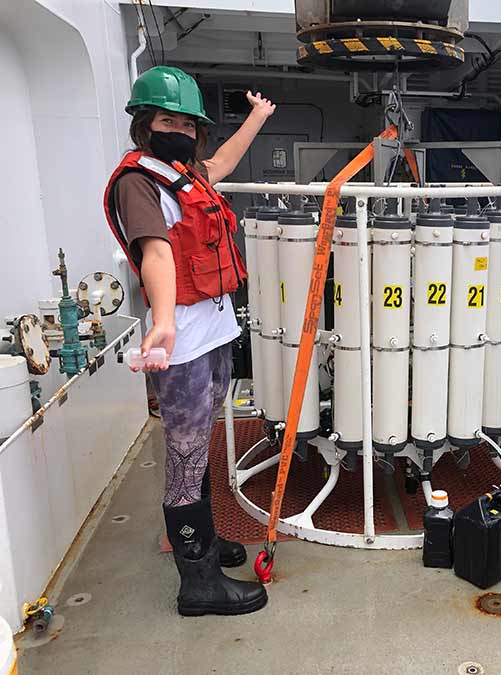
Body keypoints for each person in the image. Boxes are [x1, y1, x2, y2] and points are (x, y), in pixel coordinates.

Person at [103, 66, 276, 616]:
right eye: (165, 119)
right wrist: (163, 320)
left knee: (200, 450)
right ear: (143, 124)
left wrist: (258, 117)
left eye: (185, 121)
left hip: (214, 333)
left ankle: (202, 543)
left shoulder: (185, 172)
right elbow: (155, 252)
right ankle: (198, 583)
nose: (176, 128)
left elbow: (222, 164)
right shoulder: (138, 182)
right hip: (182, 344)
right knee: (184, 457)